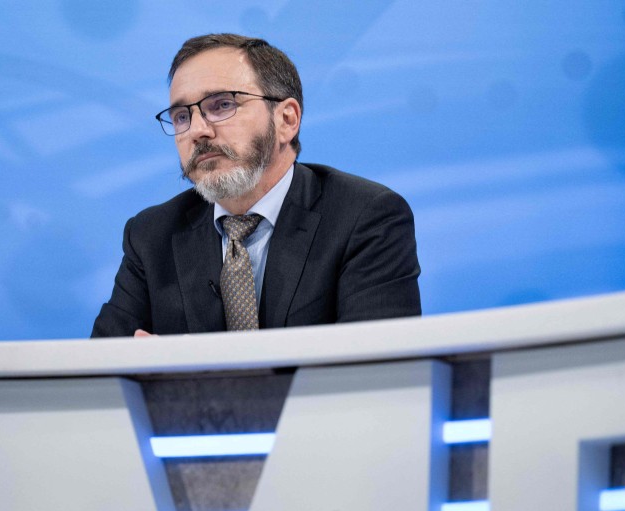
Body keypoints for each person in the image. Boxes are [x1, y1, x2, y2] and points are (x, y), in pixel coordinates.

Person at [91, 33, 421, 338]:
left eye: (221, 105)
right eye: (181, 116)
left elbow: (374, 374)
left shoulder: (366, 218)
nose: (197, 131)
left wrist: (186, 374)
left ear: (287, 120)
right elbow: (98, 375)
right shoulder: (152, 236)